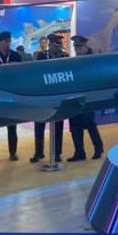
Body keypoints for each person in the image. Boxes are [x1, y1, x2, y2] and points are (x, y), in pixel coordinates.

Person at [67, 36, 104, 161]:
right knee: (75, 126)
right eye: (75, 47)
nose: (77, 50)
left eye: (79, 47)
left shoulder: (92, 60)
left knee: (89, 124)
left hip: (88, 98)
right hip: (75, 97)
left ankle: (98, 148)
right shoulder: (75, 61)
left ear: (85, 47)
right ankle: (79, 152)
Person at [0, 31, 22, 160]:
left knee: (12, 125)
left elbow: (21, 73)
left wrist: (15, 66)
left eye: (9, 41)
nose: (8, 43)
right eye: (5, 41)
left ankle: (13, 152)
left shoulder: (16, 56)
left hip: (11, 94)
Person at [31, 34, 65, 163]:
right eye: (56, 44)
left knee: (58, 127)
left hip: (59, 98)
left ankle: (57, 153)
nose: (58, 46)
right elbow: (37, 75)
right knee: (39, 125)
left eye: (60, 44)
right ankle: (38, 152)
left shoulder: (65, 58)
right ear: (50, 44)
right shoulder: (41, 56)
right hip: (43, 98)